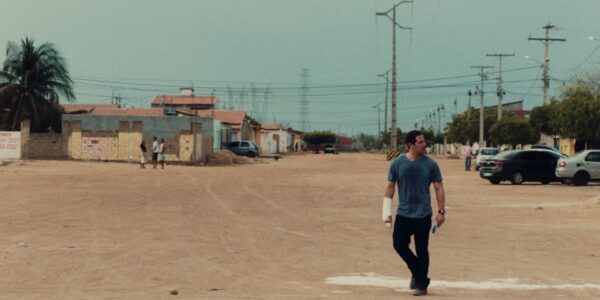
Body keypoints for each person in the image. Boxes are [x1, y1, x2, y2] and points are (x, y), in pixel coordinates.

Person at [382, 130, 446, 296]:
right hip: (403, 214)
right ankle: (419, 273)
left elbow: (438, 187)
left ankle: (421, 285)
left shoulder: (431, 164)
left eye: (424, 141)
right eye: (420, 142)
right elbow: (390, 187)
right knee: (399, 244)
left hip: (423, 215)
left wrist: (441, 211)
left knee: (422, 249)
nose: (425, 144)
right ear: (410, 144)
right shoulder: (397, 163)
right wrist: (386, 211)